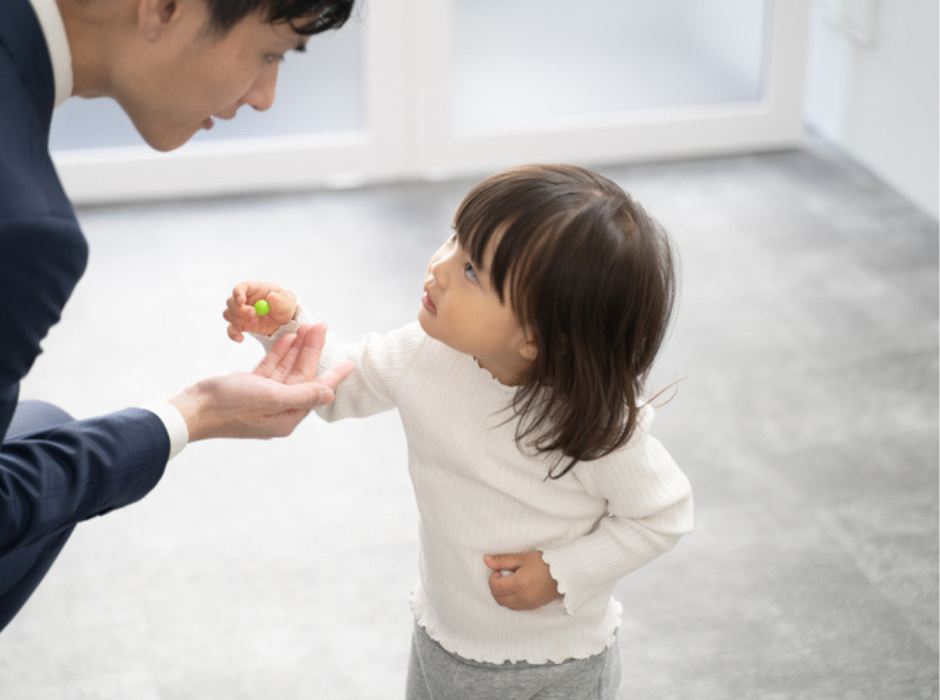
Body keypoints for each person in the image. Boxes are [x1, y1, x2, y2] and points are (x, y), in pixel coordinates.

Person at [224, 164, 695, 699]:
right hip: (442, 636)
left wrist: (563, 571)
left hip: (550, 665)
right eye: (454, 238)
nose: (439, 267)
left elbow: (663, 514)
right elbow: (340, 387)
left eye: (472, 271)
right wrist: (288, 326)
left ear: (539, 339)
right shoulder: (424, 352)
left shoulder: (590, 422)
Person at [0, 0, 356, 632]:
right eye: (270, 51)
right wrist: (193, 415)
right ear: (165, 8)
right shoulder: (24, 226)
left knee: (44, 426)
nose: (267, 96)